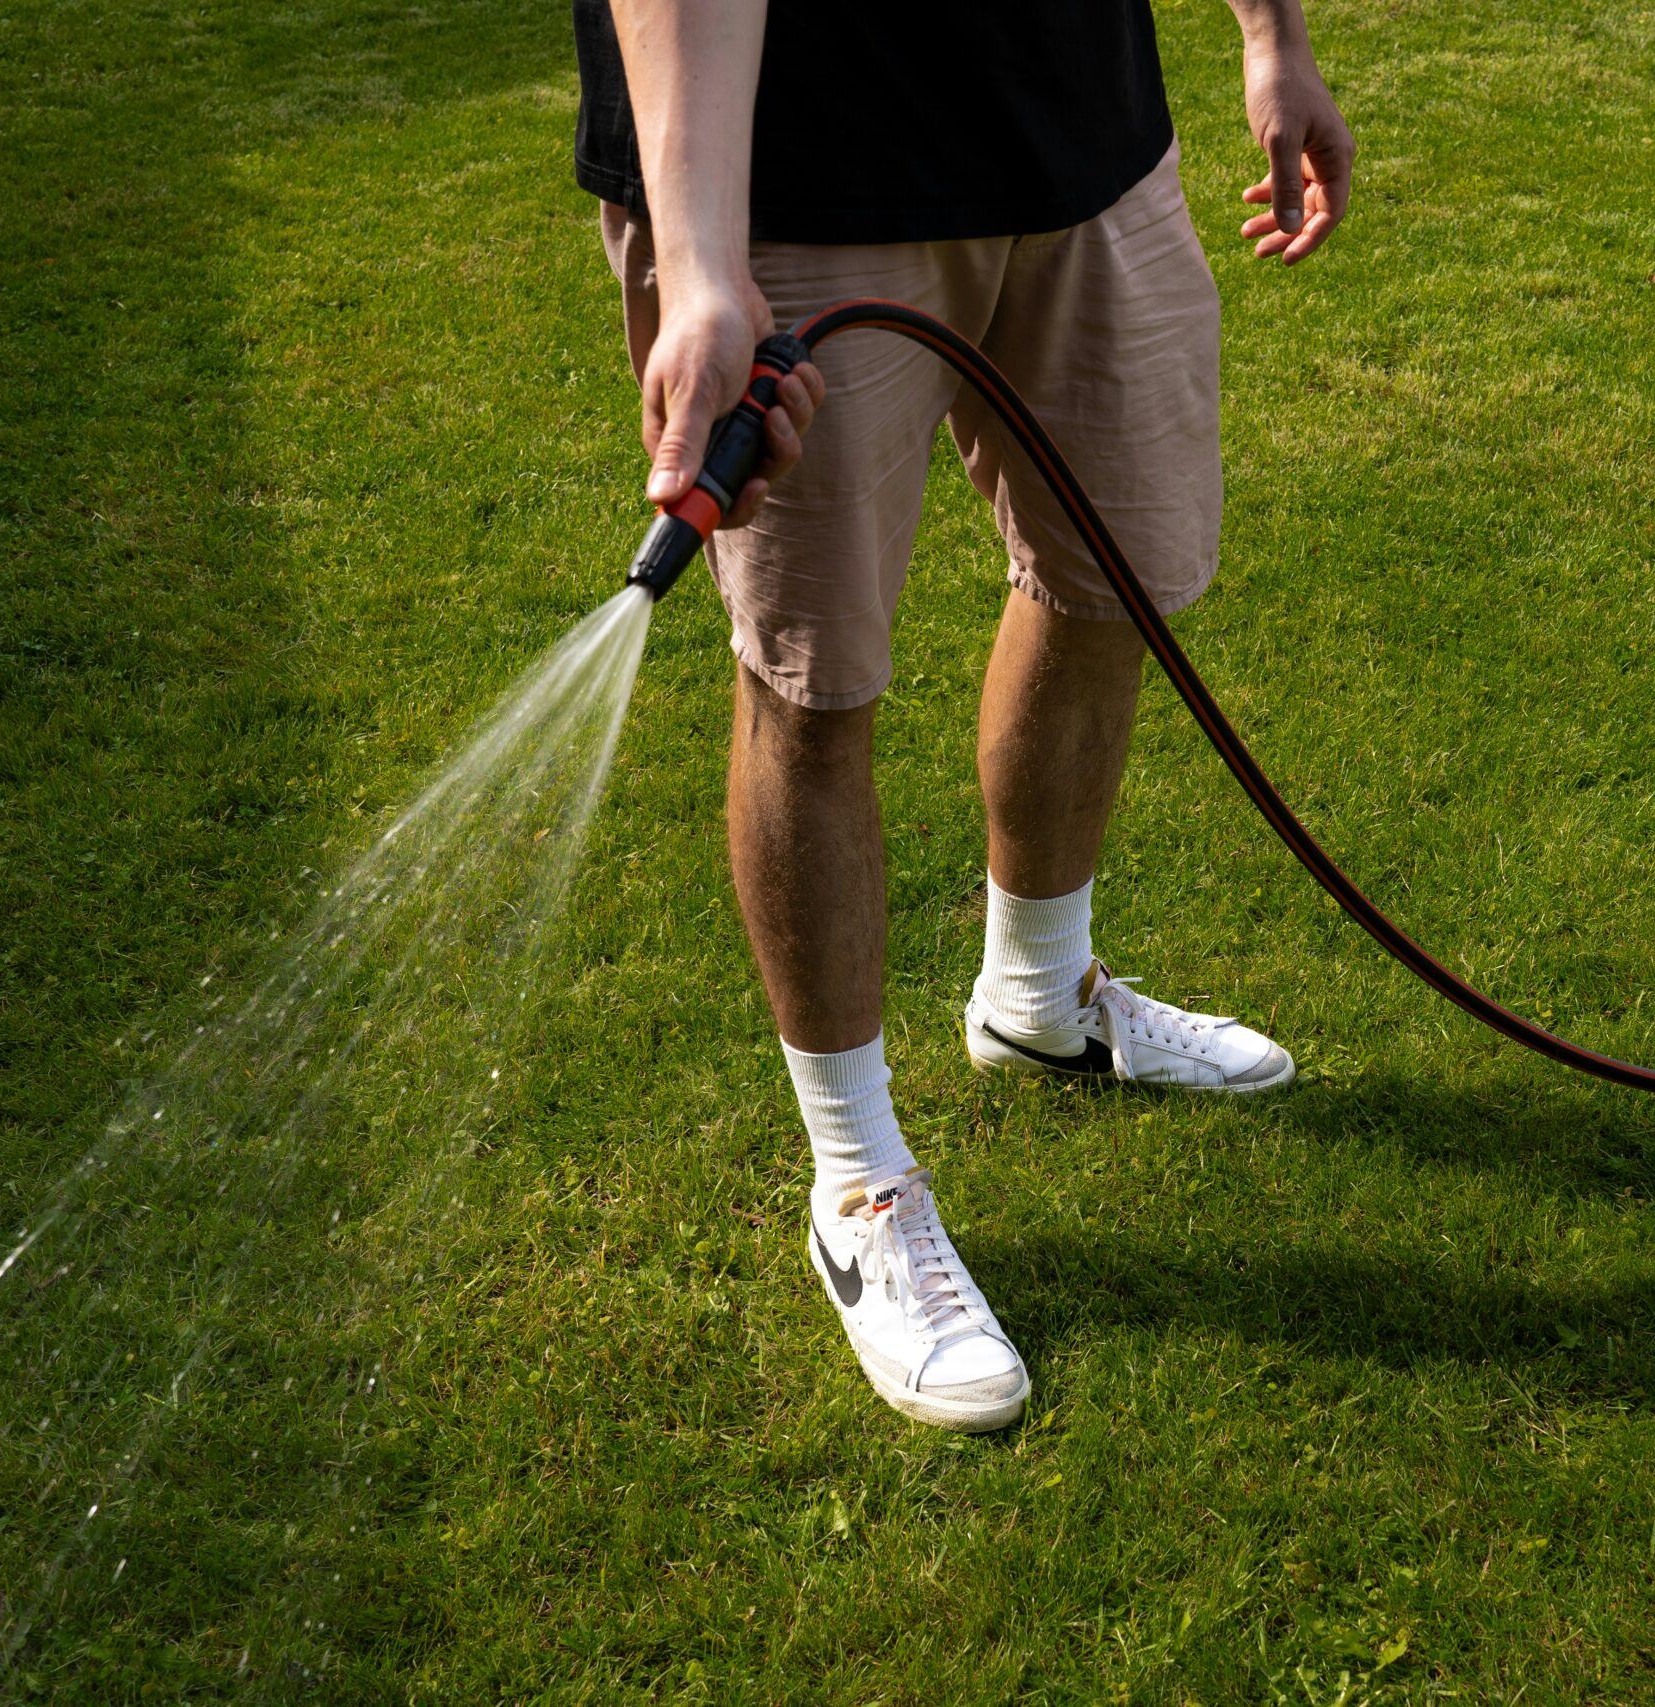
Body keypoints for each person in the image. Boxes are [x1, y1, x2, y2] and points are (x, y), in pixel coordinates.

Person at [573, 0, 1353, 1431]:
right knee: (816, 682)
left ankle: (1042, 999)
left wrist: (1270, 34)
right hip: (793, 179)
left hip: (1080, 132)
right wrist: (697, 265)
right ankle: (856, 1175)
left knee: (1121, 571)